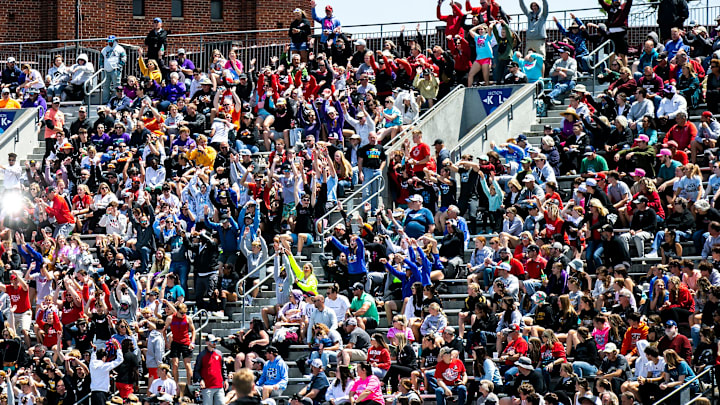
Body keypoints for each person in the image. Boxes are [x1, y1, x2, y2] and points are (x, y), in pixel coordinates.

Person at [193, 334, 228, 405]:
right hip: (207, 387)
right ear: (207, 343)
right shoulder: (201, 355)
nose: (214, 343)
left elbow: (223, 368)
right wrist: (200, 380)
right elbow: (196, 370)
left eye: (215, 341)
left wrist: (226, 380)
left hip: (219, 386)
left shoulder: (219, 353)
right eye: (212, 342)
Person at [89, 340, 124, 405]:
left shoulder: (92, 364)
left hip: (93, 393)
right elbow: (120, 360)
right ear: (104, 357)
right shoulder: (104, 366)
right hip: (102, 393)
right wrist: (118, 347)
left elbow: (93, 356)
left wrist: (94, 349)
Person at [101, 35, 127, 103]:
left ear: (115, 41)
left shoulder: (120, 49)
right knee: (105, 86)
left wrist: (119, 66)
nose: (110, 43)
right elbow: (101, 59)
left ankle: (117, 100)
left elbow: (124, 58)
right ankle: (105, 101)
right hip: (106, 70)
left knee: (117, 85)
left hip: (115, 70)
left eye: (111, 41)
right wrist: (102, 67)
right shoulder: (104, 49)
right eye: (109, 41)